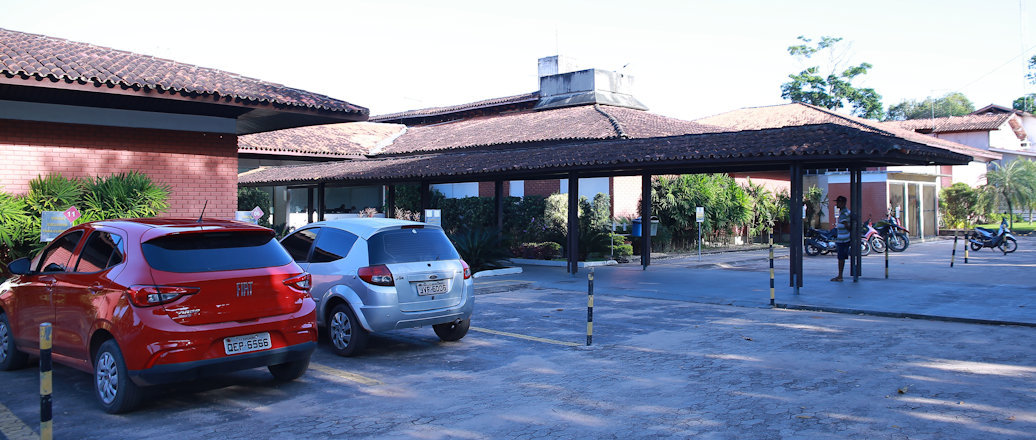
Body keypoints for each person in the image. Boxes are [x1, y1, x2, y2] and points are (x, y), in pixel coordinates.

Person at [830, 195, 852, 282]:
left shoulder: (844, 213)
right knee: (841, 257)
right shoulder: (844, 212)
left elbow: (847, 226)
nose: (837, 204)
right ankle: (840, 275)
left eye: (838, 202)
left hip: (844, 239)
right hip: (842, 238)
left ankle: (840, 276)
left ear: (842, 203)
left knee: (841, 258)